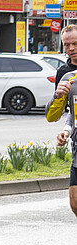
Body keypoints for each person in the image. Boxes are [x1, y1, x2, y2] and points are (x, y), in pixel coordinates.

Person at [44, 24, 77, 218]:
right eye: (67, 45)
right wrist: (57, 96)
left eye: (75, 43)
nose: (71, 48)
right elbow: (54, 115)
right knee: (74, 203)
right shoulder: (65, 74)